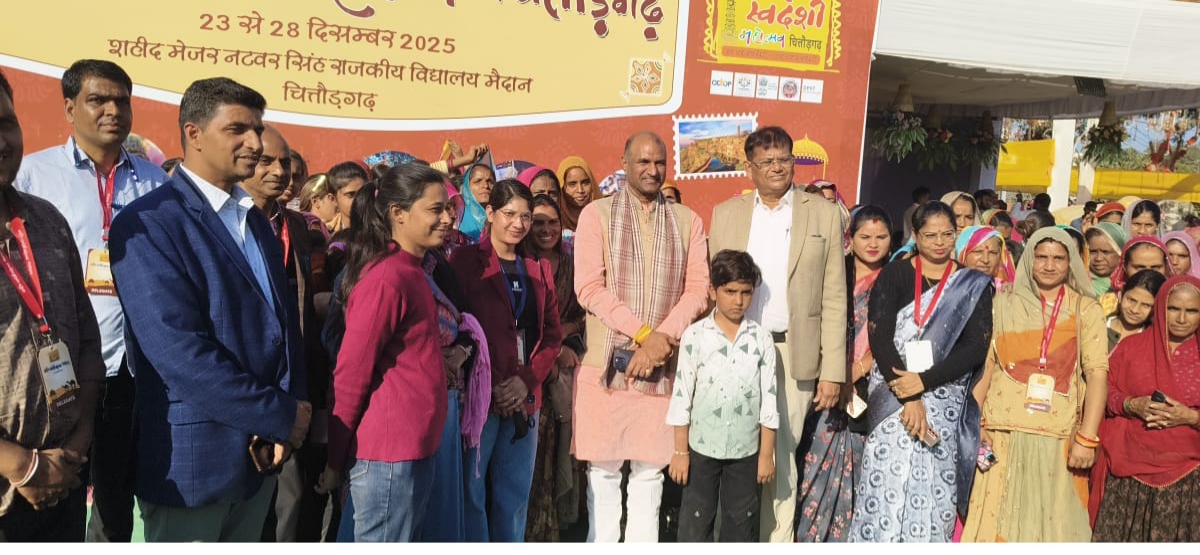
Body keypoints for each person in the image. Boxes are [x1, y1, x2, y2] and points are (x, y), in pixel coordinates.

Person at [109, 78, 310, 542]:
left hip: (261, 457)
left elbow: (284, 329)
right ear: (194, 133)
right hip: (195, 464)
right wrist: (277, 414)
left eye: (257, 128)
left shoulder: (255, 220)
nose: (255, 143)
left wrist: (285, 419)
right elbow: (179, 352)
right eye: (238, 129)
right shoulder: (149, 222)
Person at [12, 59, 167, 542]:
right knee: (53, 497)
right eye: (98, 100)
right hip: (57, 370)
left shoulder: (157, 184)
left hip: (131, 367)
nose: (113, 111)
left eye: (122, 100)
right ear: (69, 108)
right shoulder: (32, 176)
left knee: (115, 503)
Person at [707, 126, 847, 542]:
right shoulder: (726, 213)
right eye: (766, 161)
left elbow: (834, 295)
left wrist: (832, 370)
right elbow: (715, 286)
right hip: (735, 349)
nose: (777, 167)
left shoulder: (822, 213)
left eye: (784, 159)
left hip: (791, 351)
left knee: (781, 459)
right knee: (729, 452)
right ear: (749, 166)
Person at [573, 132, 709, 543]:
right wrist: (646, 334)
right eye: (643, 162)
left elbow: (698, 290)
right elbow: (589, 288)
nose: (652, 170)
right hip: (606, 365)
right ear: (625, 164)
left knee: (650, 474)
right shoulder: (595, 215)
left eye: (659, 162)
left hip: (662, 367)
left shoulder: (687, 221)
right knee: (603, 471)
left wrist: (661, 339)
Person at [313, 164, 453, 542]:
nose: (447, 218)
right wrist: (335, 460)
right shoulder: (386, 277)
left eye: (447, 208)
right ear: (398, 213)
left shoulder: (412, 270)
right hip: (388, 457)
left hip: (411, 449)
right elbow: (351, 374)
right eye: (435, 209)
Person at [0, 68, 104, 542]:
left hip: (63, 476)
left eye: (6, 123)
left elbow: (87, 339)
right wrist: (22, 466)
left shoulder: (46, 220)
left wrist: (76, 445)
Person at [851, 201, 993, 543]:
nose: (940, 243)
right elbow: (880, 337)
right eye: (930, 235)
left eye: (948, 234)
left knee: (933, 490)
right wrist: (909, 395)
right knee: (884, 485)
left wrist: (924, 382)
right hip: (894, 396)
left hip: (944, 401)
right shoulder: (895, 274)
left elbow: (976, 347)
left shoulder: (971, 283)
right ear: (915, 235)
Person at [961, 227, 1107, 542]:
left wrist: (1087, 438)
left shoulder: (1086, 309)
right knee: (995, 523)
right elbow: (987, 365)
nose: (1049, 266)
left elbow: (1097, 374)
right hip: (1001, 431)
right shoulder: (1002, 302)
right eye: (1041, 257)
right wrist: (977, 421)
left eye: (1058, 258)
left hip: (1058, 436)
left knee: (1053, 527)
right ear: (1028, 258)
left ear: (1071, 263)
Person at [450, 180, 562, 542]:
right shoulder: (466, 261)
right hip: (481, 397)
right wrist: (496, 384)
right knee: (471, 494)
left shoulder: (538, 267)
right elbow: (459, 323)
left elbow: (552, 336)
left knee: (513, 497)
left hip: (523, 398)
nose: (518, 224)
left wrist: (524, 381)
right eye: (509, 214)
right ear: (490, 213)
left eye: (525, 216)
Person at [237, 126, 335, 542]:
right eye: (266, 161)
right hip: (240, 381)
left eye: (285, 164)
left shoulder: (298, 226)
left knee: (290, 501)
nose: (280, 172)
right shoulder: (225, 221)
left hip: (294, 379)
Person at [667, 249, 778, 542]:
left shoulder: (761, 339)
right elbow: (682, 396)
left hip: (745, 451)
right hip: (701, 449)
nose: (738, 301)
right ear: (713, 291)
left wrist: (766, 455)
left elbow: (769, 401)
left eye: (746, 292)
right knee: (695, 522)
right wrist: (680, 452)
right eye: (730, 291)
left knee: (741, 525)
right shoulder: (695, 336)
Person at [796, 206, 891, 542]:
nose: (873, 244)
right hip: (826, 381)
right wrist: (835, 370)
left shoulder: (896, 280)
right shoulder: (835, 274)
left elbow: (898, 337)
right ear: (850, 238)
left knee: (859, 469)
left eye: (881, 236)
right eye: (865, 236)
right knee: (814, 462)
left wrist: (858, 369)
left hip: (871, 388)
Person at [1090, 275, 1200, 541]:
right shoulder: (1130, 348)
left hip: (1189, 480)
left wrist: (1190, 416)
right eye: (1173, 308)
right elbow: (1104, 391)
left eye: (1192, 311)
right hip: (1127, 478)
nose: (1181, 319)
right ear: (1160, 307)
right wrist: (1131, 404)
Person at [523, 195, 588, 542]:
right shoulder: (520, 264)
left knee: (561, 449)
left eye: (552, 223)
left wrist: (566, 336)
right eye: (538, 223)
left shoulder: (574, 266)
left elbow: (585, 313)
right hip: (530, 372)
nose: (546, 229)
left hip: (565, 374)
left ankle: (558, 530)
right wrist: (550, 348)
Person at [1106, 270, 1166, 352]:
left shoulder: (1154, 341)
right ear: (1120, 295)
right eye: (1131, 300)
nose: (1134, 310)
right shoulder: (1096, 326)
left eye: (1146, 305)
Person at [556, 156, 602, 248]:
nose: (580, 190)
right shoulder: (554, 220)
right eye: (572, 184)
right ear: (562, 187)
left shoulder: (603, 215)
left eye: (585, 182)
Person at [955, 225, 1015, 290]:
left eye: (992, 252)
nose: (985, 260)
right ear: (962, 255)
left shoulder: (1004, 289)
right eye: (978, 251)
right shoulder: (950, 288)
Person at [323, 162, 368, 235]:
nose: (359, 199)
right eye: (351, 195)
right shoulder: (326, 235)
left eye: (363, 192)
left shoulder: (382, 233)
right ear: (333, 199)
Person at [458, 163, 497, 242]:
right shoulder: (457, 217)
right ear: (467, 186)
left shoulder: (500, 215)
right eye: (478, 181)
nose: (485, 186)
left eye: (490, 181)